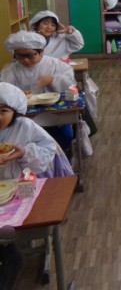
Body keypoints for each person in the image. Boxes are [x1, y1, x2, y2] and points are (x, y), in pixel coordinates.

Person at [0, 83, 73, 290]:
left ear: (14, 111)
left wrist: (24, 153)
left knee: (28, 223)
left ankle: (13, 252)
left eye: (3, 111)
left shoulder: (25, 127)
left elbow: (48, 151)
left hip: (22, 189)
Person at [1, 31, 76, 151]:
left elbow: (69, 82)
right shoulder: (11, 70)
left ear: (41, 51)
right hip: (24, 118)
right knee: (23, 141)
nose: (25, 60)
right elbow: (4, 90)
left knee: (65, 137)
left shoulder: (54, 64)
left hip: (55, 114)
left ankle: (58, 157)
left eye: (30, 55)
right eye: (19, 56)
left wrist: (52, 79)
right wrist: (17, 95)